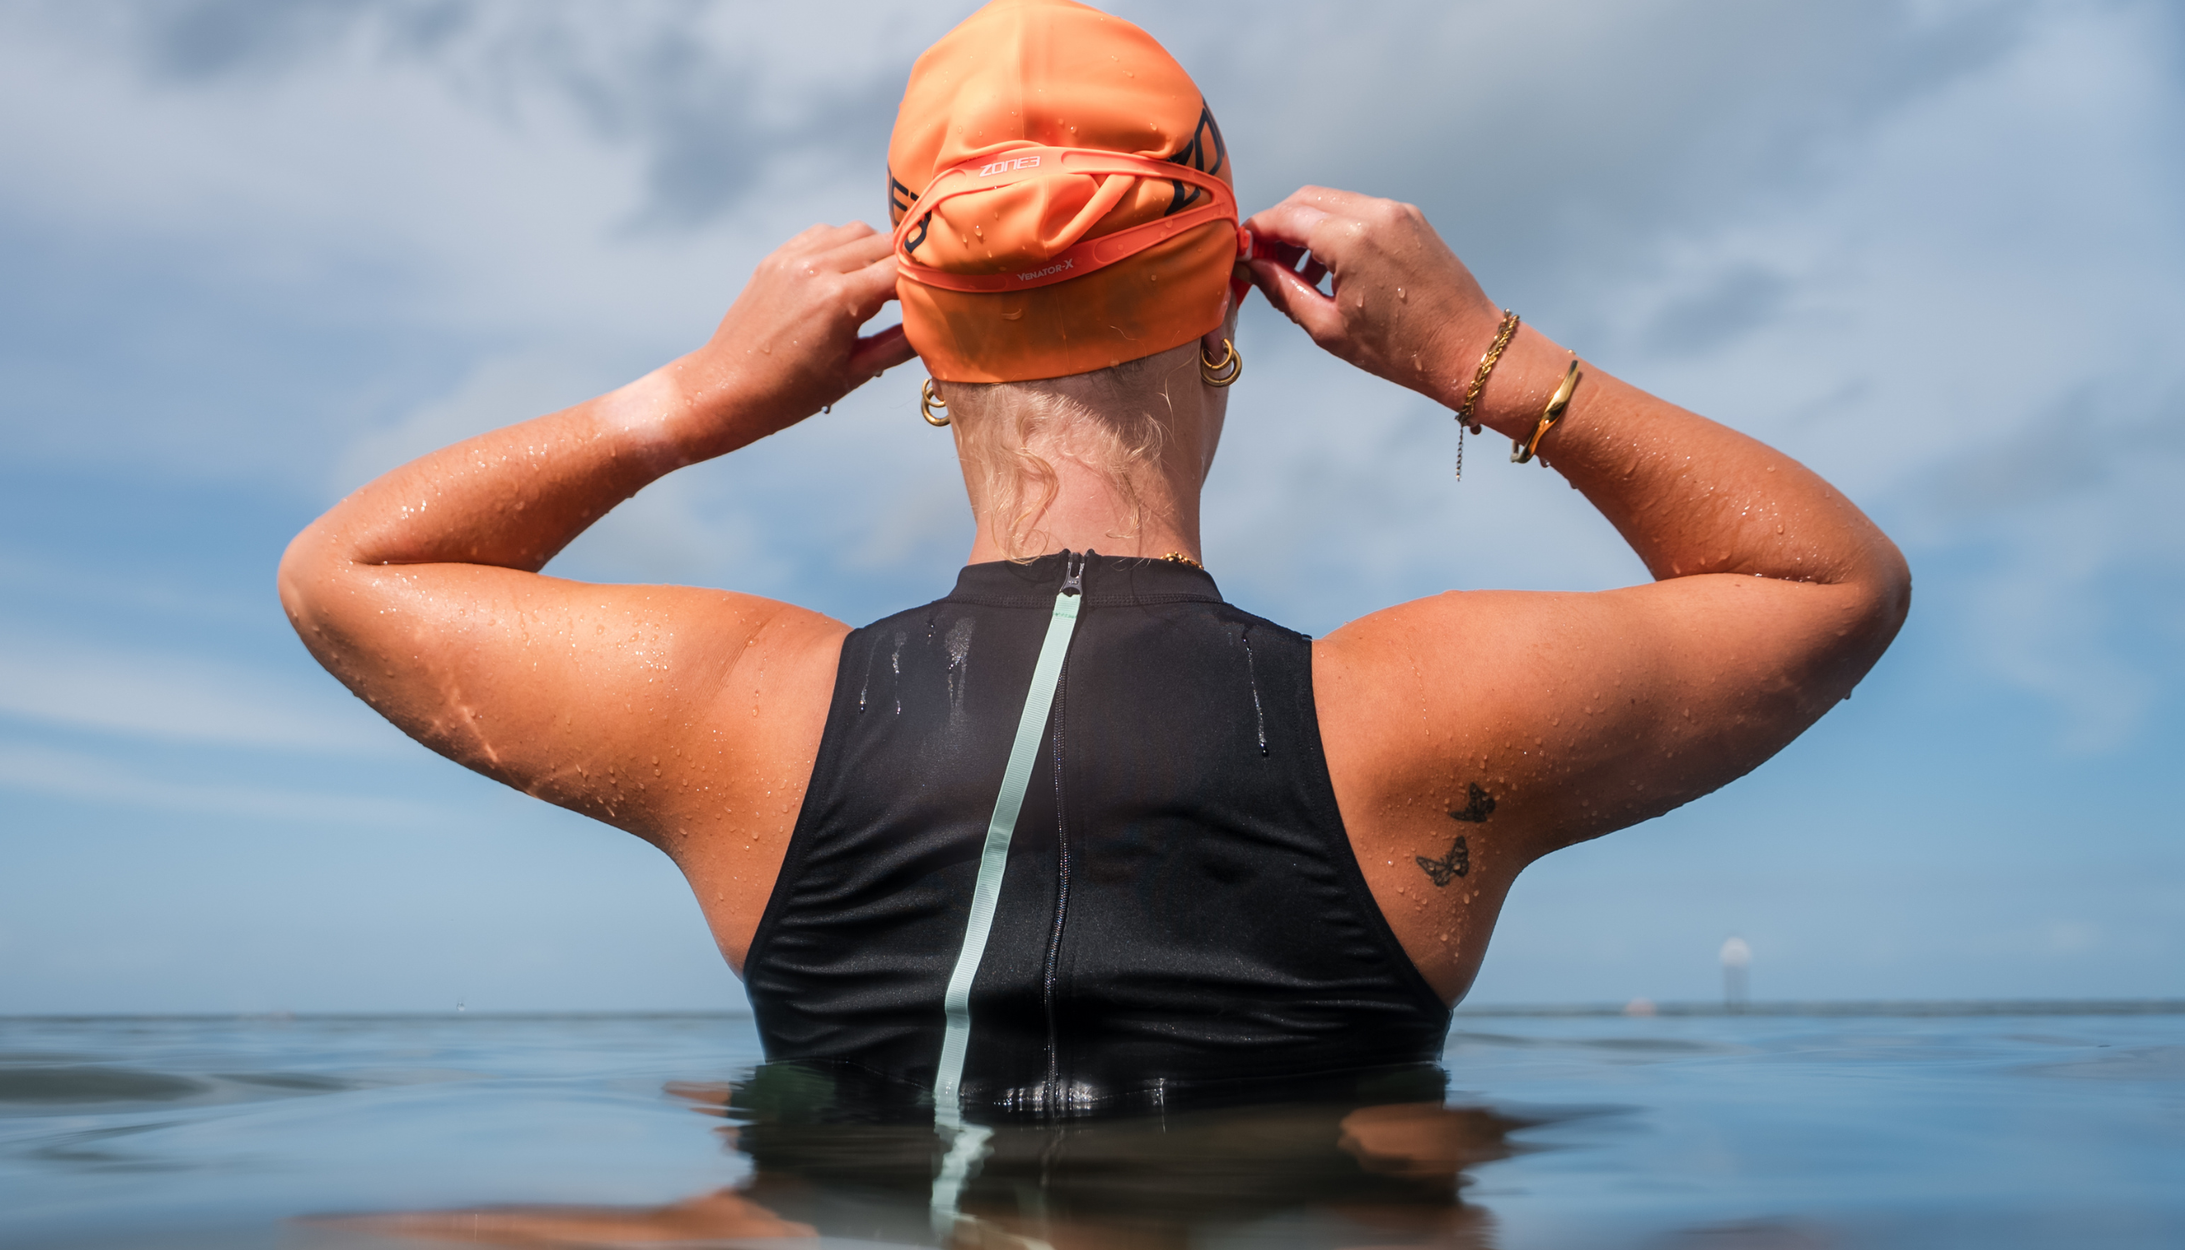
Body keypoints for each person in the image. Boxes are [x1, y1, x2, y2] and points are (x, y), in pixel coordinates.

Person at [279, 0, 1906, 1124]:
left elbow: (348, 573)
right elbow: (1829, 581)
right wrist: (1487, 354)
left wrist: (687, 405)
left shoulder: (741, 717)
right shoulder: (1418, 719)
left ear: (914, 336)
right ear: (1232, 299)